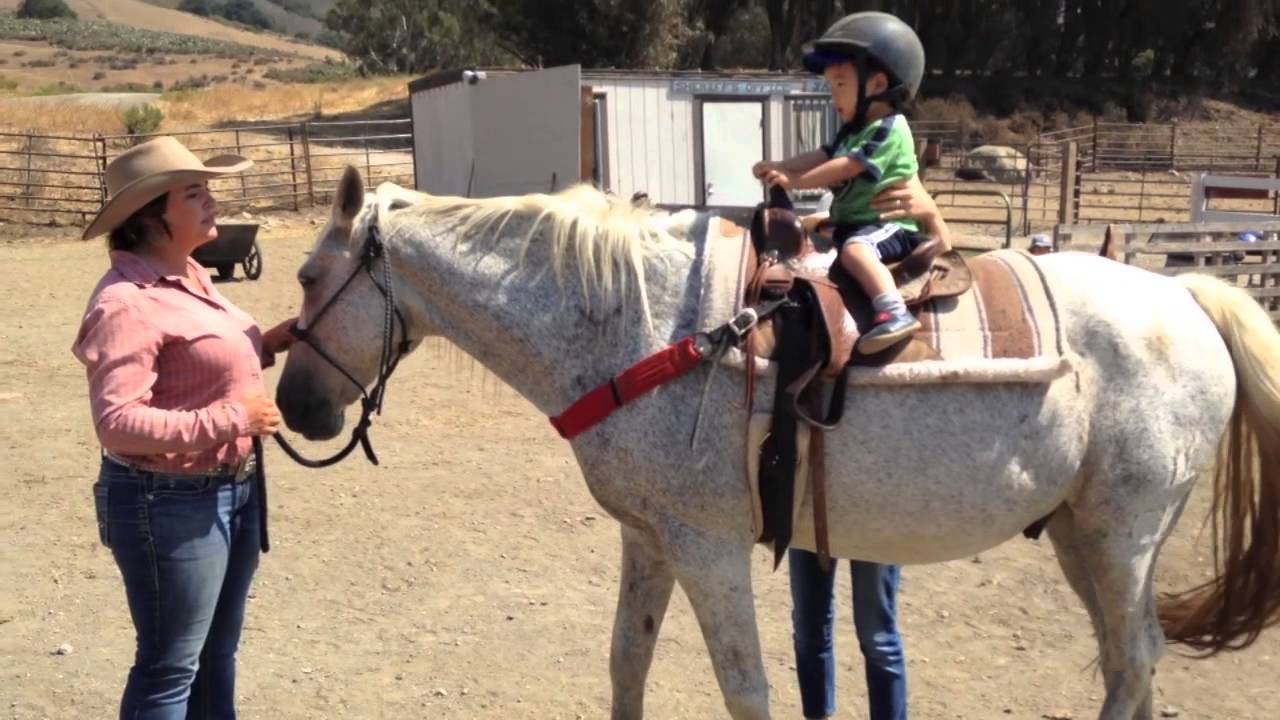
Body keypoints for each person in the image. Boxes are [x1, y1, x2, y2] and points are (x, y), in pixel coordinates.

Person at [72, 136, 295, 719]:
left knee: (216, 656)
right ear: (152, 218)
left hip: (229, 492)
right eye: (194, 194)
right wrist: (234, 419)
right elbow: (117, 422)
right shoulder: (126, 302)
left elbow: (194, 369)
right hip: (168, 502)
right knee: (170, 668)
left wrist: (268, 344)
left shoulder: (192, 276)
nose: (211, 202)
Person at [783, 178, 945, 720]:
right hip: (811, 482)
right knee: (809, 629)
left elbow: (934, 238)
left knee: (876, 634)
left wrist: (932, 217)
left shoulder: (884, 222)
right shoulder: (820, 259)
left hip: (875, 488)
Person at [752, 11, 927, 355]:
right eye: (830, 87)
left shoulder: (890, 128)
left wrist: (795, 180)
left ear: (877, 84)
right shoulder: (853, 131)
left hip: (886, 226)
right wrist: (781, 166)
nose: (834, 97)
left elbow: (846, 166)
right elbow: (822, 154)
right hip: (852, 222)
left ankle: (894, 310)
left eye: (841, 84)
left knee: (855, 252)